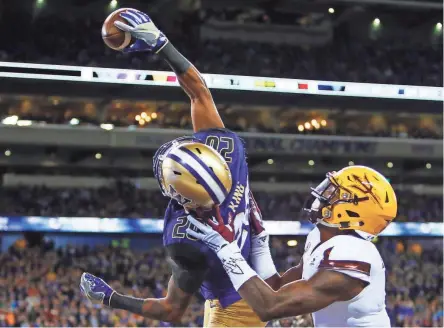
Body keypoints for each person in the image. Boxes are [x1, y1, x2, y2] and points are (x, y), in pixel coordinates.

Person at [79, 8, 291, 327]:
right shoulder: (229, 153)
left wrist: (109, 297)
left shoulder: (185, 239)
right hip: (263, 286)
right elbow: (198, 91)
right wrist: (161, 44)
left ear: (183, 197)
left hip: (232, 312)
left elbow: (171, 311)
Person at [187, 165, 398, 327]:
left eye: (334, 192)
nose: (323, 195)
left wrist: (225, 249)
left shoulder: (354, 253)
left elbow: (270, 306)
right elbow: (275, 287)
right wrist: (260, 244)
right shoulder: (322, 239)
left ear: (352, 210)